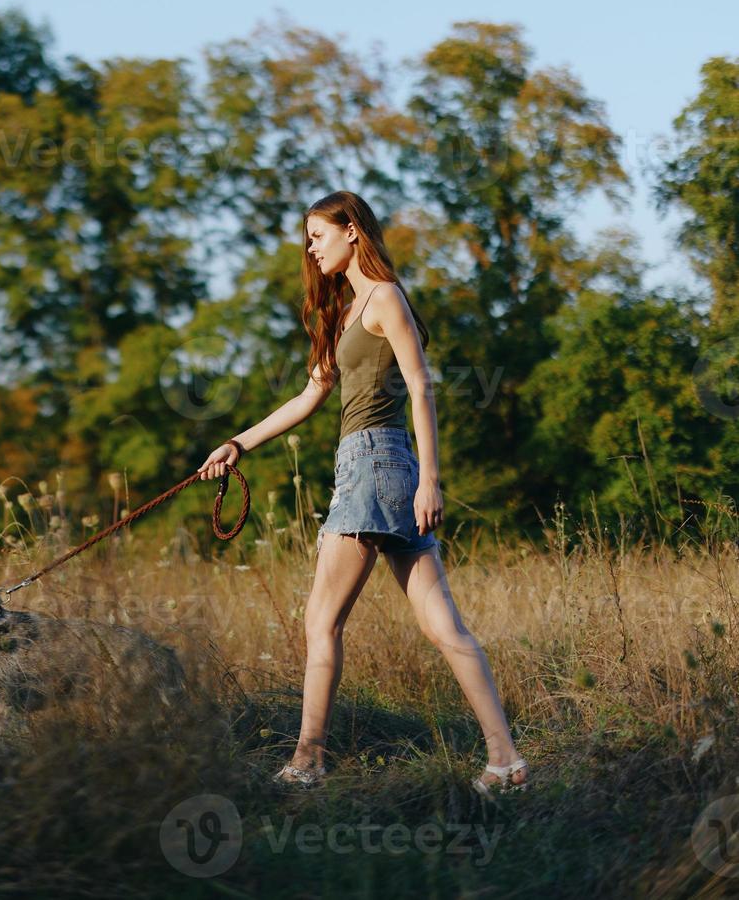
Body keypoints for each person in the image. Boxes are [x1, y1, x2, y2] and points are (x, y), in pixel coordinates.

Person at [195, 190, 528, 799]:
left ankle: (307, 761)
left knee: (321, 621)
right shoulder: (348, 313)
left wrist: (432, 477)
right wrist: (237, 443)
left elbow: (422, 387)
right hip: (380, 468)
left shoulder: (385, 298)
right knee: (443, 627)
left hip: (377, 466)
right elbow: (307, 398)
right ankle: (505, 761)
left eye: (317, 234)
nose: (309, 247)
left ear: (352, 230)